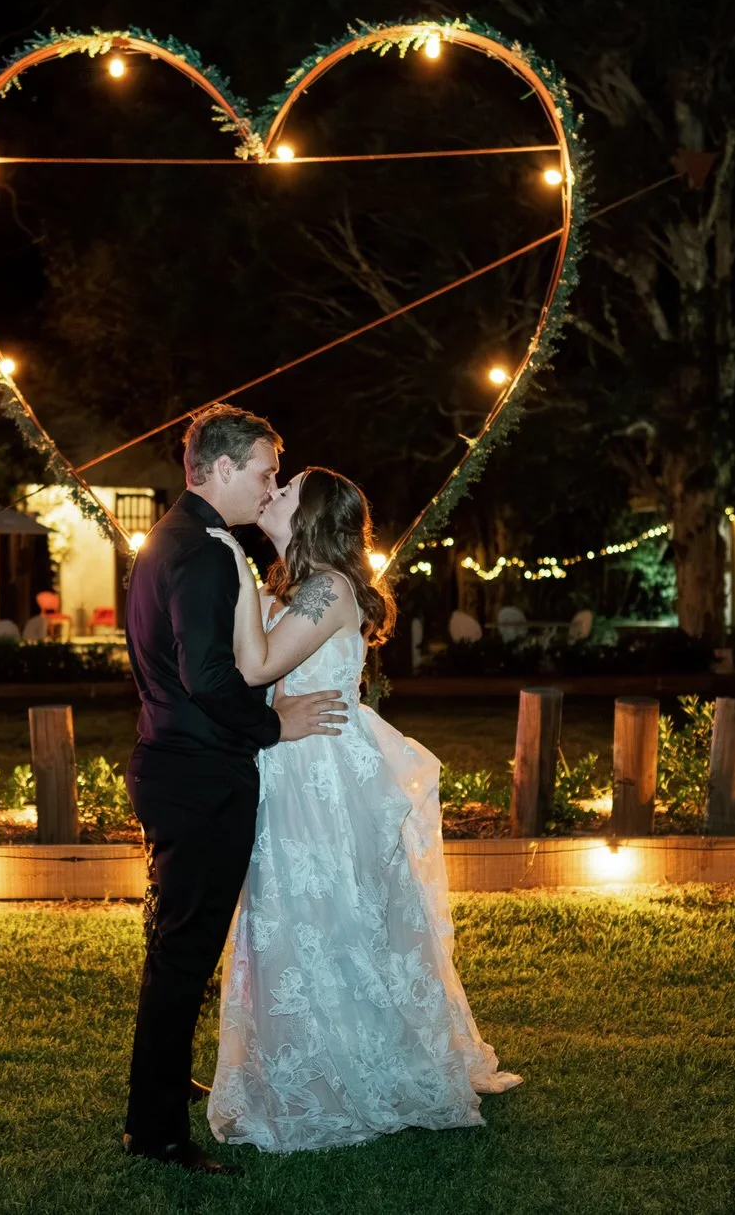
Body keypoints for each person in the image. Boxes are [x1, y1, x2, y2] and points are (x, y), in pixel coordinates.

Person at [203, 467, 521, 1153]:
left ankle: (362, 1068)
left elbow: (256, 668)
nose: (273, 492)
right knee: (295, 916)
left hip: (323, 775)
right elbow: (243, 661)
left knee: (334, 916)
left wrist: (231, 561)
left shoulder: (329, 589)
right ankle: (302, 1063)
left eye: (285, 490)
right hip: (289, 764)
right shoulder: (291, 586)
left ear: (312, 514)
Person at [119, 404, 348, 1175]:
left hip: (169, 765)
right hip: (200, 778)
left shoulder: (169, 540)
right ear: (219, 469)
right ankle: (154, 1129)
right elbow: (210, 676)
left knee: (174, 947)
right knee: (185, 954)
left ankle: (160, 1080)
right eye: (262, 471)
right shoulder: (211, 551)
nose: (269, 484)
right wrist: (274, 727)